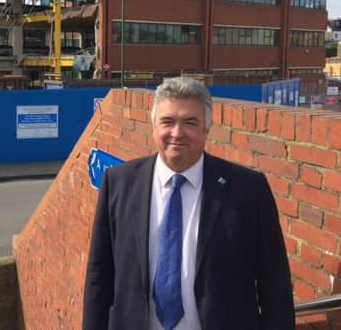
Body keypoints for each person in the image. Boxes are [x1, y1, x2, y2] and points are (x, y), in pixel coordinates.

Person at [82, 77, 294, 330]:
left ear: (207, 129)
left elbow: (275, 284)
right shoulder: (118, 183)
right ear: (153, 127)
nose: (177, 133)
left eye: (190, 123)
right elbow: (99, 276)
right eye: (168, 122)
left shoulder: (249, 189)